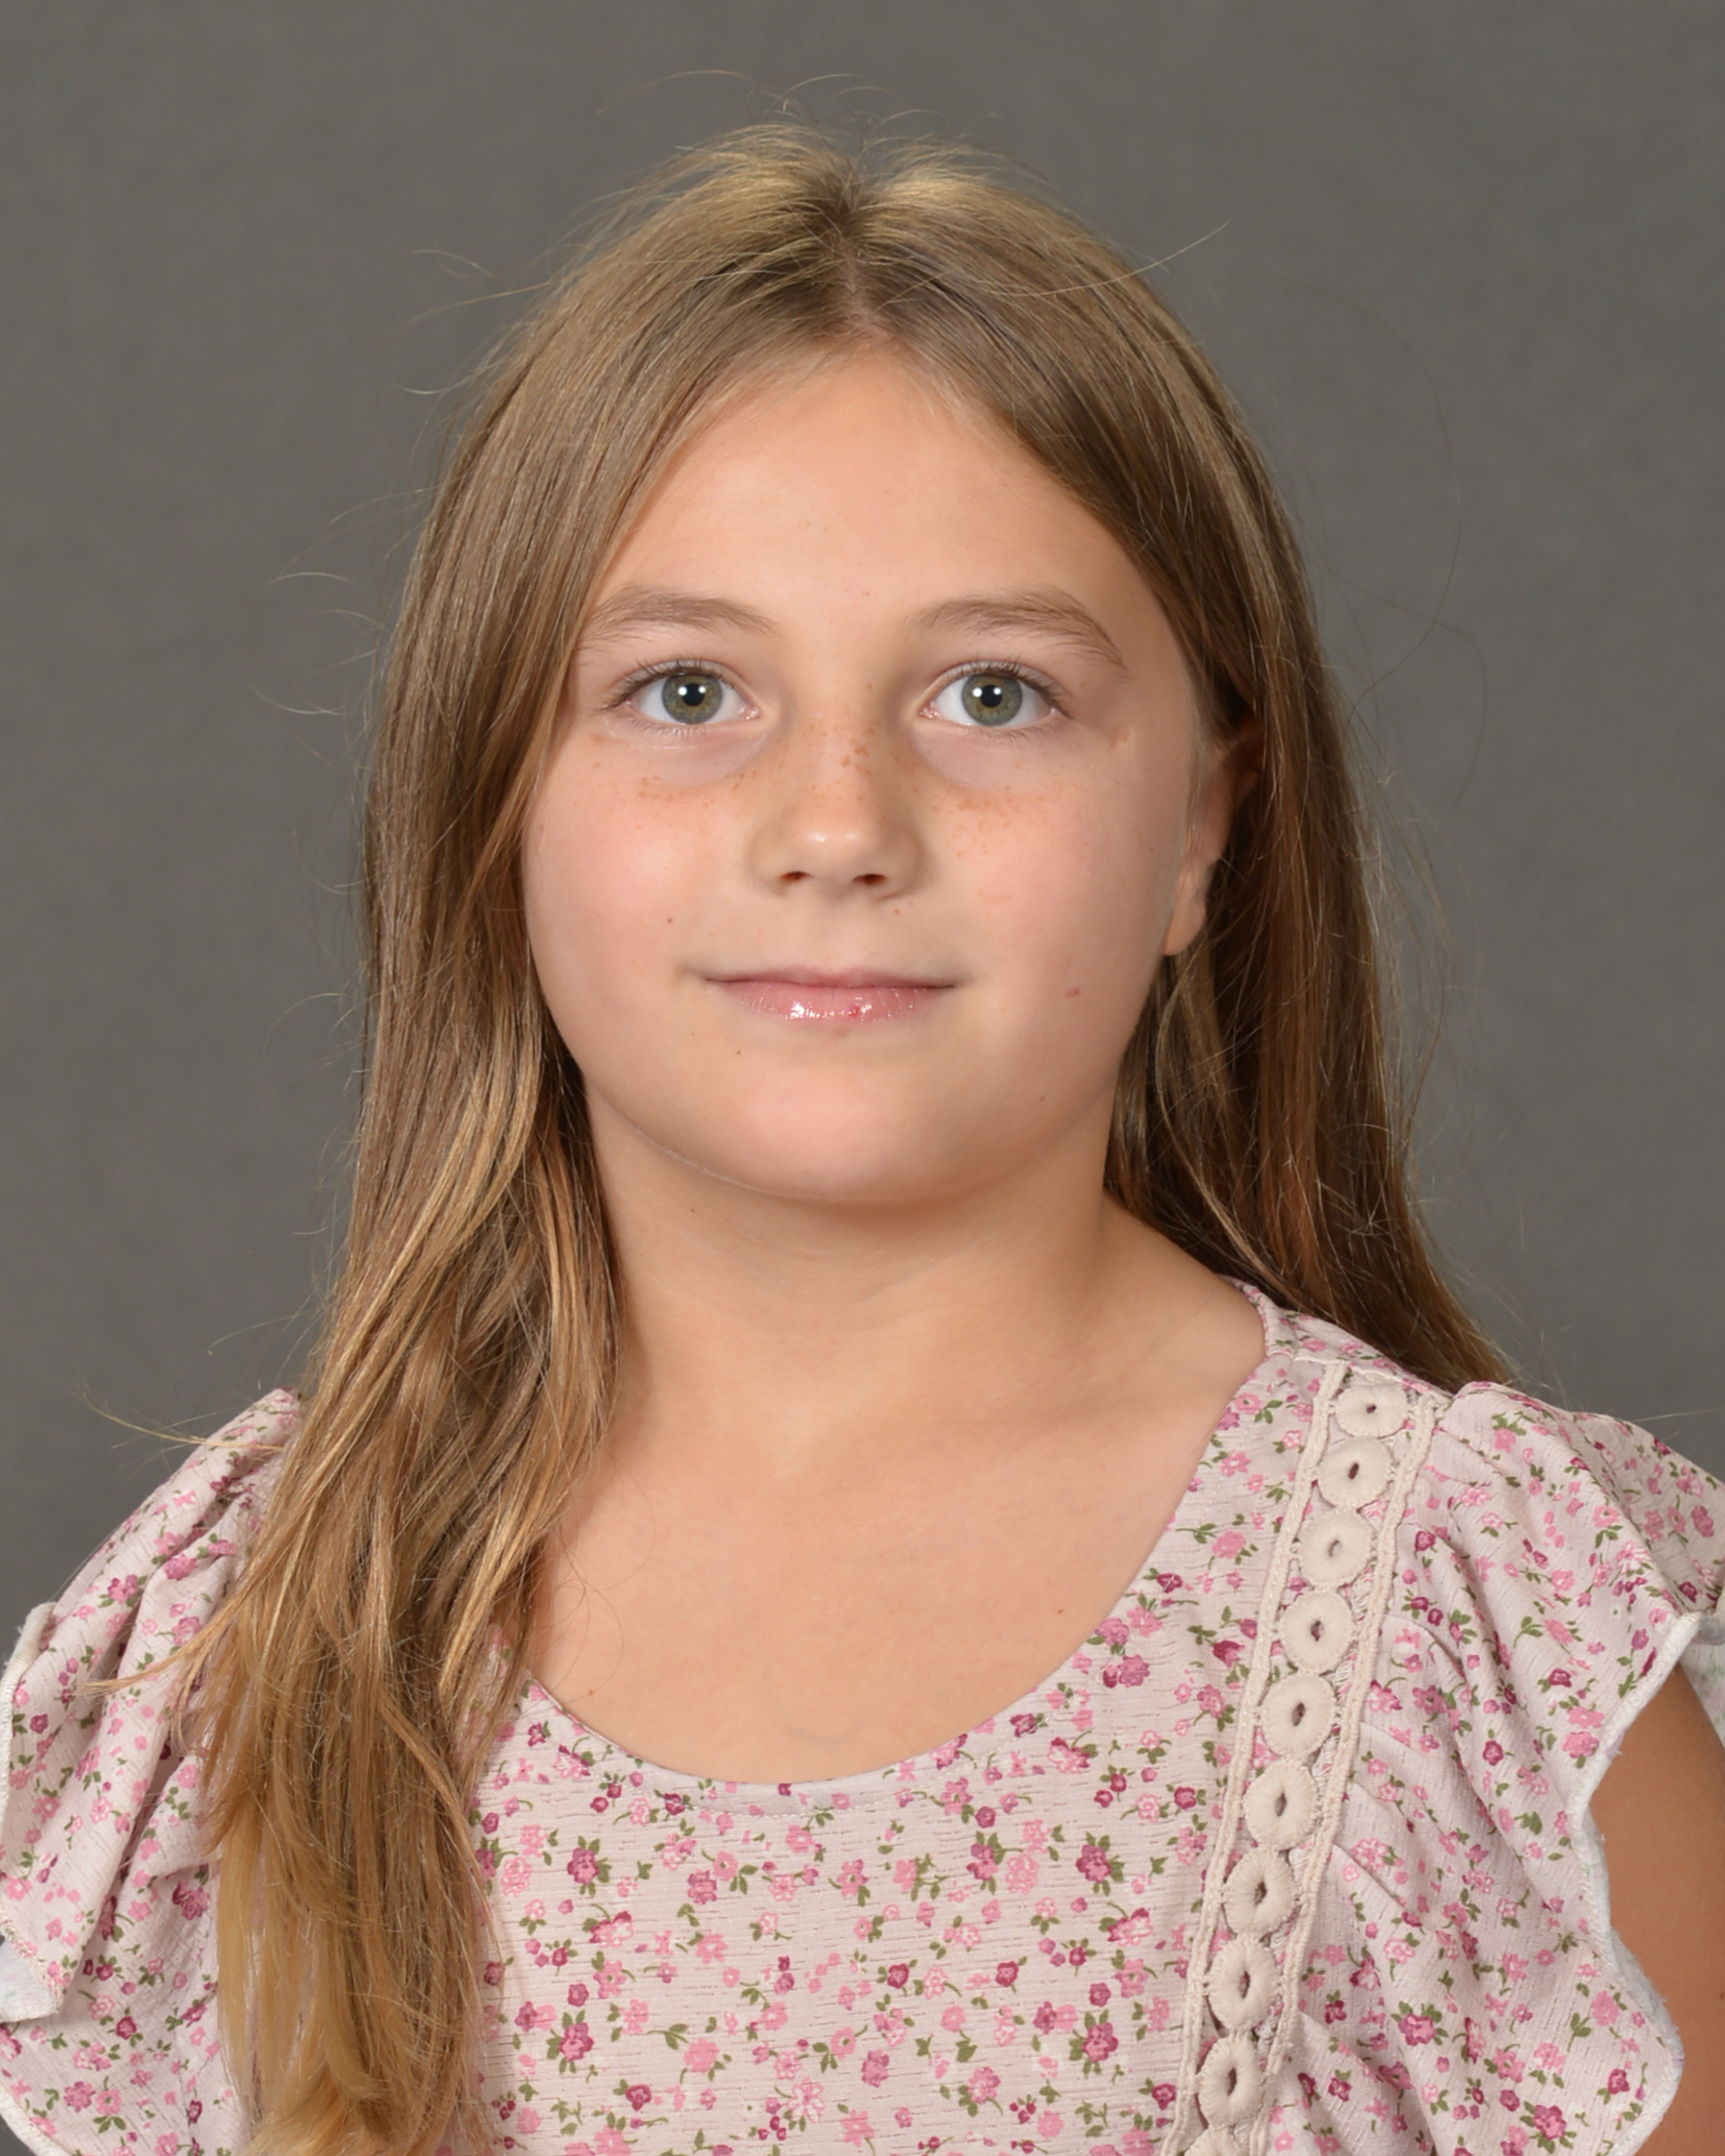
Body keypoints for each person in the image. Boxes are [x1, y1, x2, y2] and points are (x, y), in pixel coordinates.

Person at [2, 126, 1722, 2156]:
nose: (836, 825)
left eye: (993, 694)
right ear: (497, 797)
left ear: (1201, 826)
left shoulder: (1454, 1624)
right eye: (686, 691)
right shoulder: (252, 1645)